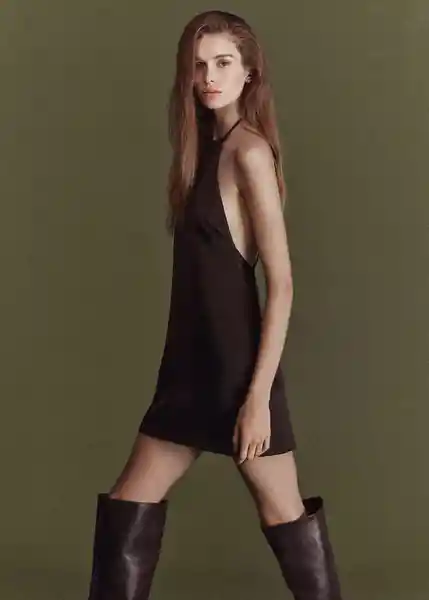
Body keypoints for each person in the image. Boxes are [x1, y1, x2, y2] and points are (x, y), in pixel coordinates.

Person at [86, 10, 343, 600]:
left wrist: (257, 399)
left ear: (249, 72)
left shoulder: (249, 153)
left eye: (224, 63)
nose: (209, 77)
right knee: (129, 502)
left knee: (283, 511)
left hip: (236, 370)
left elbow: (281, 284)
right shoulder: (203, 148)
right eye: (199, 65)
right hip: (188, 368)